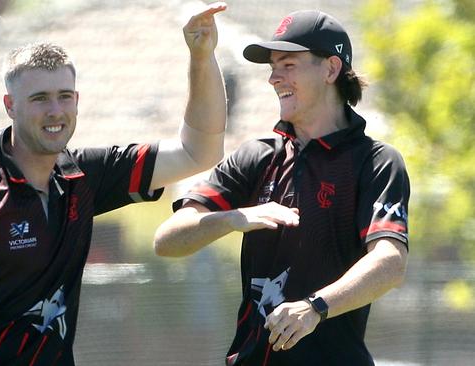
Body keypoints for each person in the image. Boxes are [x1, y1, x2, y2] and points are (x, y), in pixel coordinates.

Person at [0, 3, 228, 365]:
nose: (55, 110)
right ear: (10, 105)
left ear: (77, 101)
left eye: (64, 96)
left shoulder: (86, 175)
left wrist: (202, 58)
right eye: (39, 98)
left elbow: (198, 152)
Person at [154, 9, 410, 366]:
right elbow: (167, 239)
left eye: (288, 65)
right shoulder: (256, 156)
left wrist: (315, 308)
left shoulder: (377, 162)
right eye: (273, 66)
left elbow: (390, 262)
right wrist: (233, 218)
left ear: (331, 69)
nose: (274, 78)